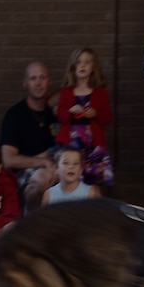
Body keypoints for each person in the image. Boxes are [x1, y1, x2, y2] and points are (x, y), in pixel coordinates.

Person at [54, 47, 114, 188]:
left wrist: (96, 114)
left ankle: (95, 207)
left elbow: (108, 117)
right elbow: (60, 116)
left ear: (93, 67)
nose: (82, 65)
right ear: (73, 67)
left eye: (87, 62)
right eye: (79, 62)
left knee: (94, 182)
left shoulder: (100, 91)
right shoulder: (67, 91)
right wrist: (70, 111)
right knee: (72, 180)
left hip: (93, 143)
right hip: (72, 143)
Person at [0, 61, 58, 203]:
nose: (38, 83)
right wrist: (43, 161)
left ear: (49, 82)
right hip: (22, 175)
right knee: (43, 178)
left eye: (42, 78)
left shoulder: (55, 113)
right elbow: (8, 160)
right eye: (33, 78)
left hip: (54, 167)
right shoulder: (15, 115)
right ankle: (30, 221)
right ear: (25, 83)